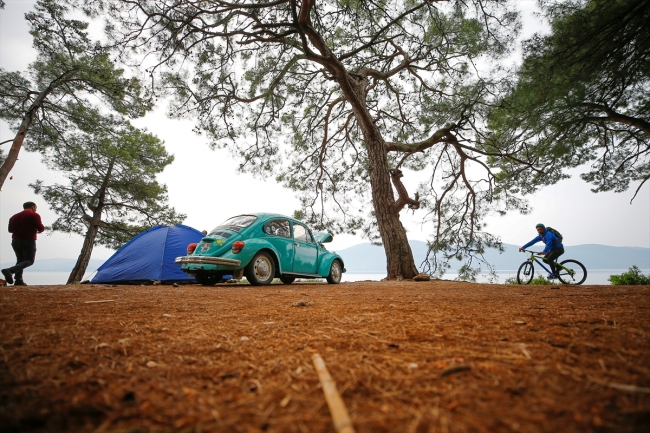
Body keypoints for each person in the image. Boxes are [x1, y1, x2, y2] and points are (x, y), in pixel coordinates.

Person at [1, 201, 45, 286]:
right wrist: (38, 229)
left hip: (15, 241)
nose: (35, 209)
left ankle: (18, 280)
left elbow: (10, 230)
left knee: (20, 260)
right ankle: (10, 270)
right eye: (35, 208)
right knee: (29, 261)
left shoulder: (13, 217)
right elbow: (40, 227)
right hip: (28, 240)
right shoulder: (34, 215)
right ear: (33, 207)